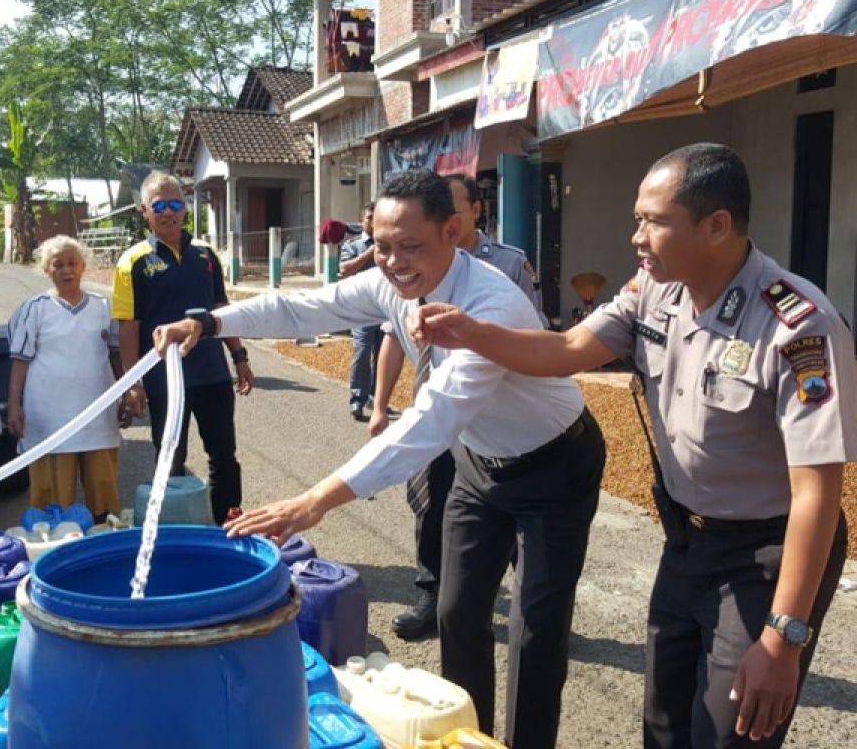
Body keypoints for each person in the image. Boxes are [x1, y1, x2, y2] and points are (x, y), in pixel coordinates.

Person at [412, 143, 853, 748]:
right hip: (686, 540)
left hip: (764, 557)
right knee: (664, 726)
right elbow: (565, 353)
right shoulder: (656, 290)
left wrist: (783, 637)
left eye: (653, 221)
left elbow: (818, 492)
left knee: (730, 735)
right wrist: (470, 331)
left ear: (716, 225)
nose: (636, 237)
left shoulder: (798, 325)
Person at [155, 168, 606, 749]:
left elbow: (429, 423)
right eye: (381, 246)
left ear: (453, 230)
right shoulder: (389, 285)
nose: (392, 262)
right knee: (457, 611)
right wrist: (211, 321)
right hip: (480, 464)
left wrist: (316, 500)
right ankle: (471, 739)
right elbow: (303, 311)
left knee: (536, 630)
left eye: (409, 246)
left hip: (553, 466)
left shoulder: (491, 302)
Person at [373, 172, 545, 640]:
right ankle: (434, 593)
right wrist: (380, 405)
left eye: (453, 207)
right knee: (431, 501)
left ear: (469, 215)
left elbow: (534, 337)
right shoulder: (406, 267)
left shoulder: (505, 267)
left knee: (504, 514)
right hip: (434, 399)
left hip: (487, 409)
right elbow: (391, 335)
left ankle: (532, 605)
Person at [113, 171, 254, 525]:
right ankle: (174, 528)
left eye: (175, 204)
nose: (168, 212)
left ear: (185, 209)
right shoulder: (132, 262)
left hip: (212, 374)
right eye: (159, 205)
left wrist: (239, 357)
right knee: (170, 456)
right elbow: (128, 329)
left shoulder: (206, 255)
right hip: (165, 381)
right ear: (144, 210)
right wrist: (133, 383)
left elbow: (223, 311)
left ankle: (228, 523)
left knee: (223, 454)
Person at [7, 235, 126, 519]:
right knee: (52, 504)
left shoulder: (104, 307)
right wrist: (13, 404)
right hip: (50, 419)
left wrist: (129, 391)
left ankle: (105, 545)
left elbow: (117, 355)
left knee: (103, 497)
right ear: (46, 270)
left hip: (97, 415)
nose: (66, 270)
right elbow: (20, 361)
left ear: (83, 266)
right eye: (57, 264)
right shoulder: (34, 309)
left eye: (72, 263)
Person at [339, 201, 381, 420]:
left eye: (377, 218)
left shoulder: (389, 243)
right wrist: (369, 253)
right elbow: (344, 270)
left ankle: (377, 397)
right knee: (362, 353)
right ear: (361, 221)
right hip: (362, 310)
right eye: (369, 218)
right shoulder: (352, 245)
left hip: (386, 309)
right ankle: (357, 400)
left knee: (384, 355)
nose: (373, 222)